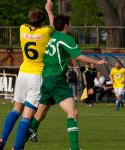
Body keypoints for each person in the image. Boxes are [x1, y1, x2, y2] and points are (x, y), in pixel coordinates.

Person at [28, 15, 107, 150]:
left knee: (40, 114)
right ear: (66, 26)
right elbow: (78, 56)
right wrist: (97, 62)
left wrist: (48, 9)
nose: (70, 26)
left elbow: (53, 22)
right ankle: (74, 148)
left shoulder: (52, 34)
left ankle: (29, 133)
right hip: (57, 80)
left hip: (46, 79)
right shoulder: (66, 38)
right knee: (73, 113)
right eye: (69, 24)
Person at [0, 0, 54, 150]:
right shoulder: (45, 32)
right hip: (36, 76)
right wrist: (49, 9)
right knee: (27, 115)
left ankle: (2, 139)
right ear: (42, 22)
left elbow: (30, 25)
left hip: (23, 73)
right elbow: (54, 26)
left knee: (16, 109)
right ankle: (17, 147)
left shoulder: (23, 29)